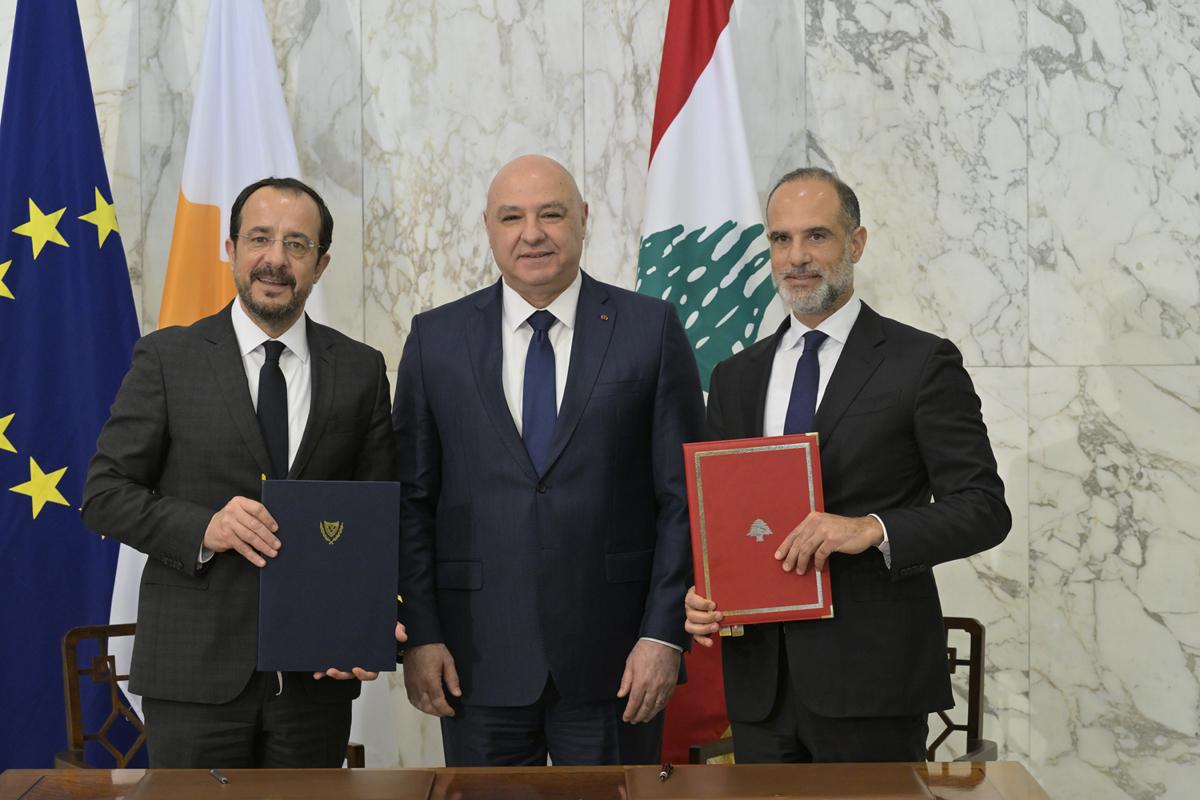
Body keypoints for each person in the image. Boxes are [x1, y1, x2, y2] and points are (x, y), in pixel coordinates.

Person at [684, 167, 1010, 763]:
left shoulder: (921, 362)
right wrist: (703, 588)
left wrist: (871, 529)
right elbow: (720, 517)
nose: (797, 257)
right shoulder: (735, 377)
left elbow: (984, 508)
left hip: (873, 682)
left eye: (817, 235)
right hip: (760, 687)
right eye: (781, 239)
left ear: (855, 244)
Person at [82, 177, 404, 768]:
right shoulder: (167, 359)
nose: (275, 259)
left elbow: (379, 518)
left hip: (316, 678)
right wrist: (206, 528)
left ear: (321, 263)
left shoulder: (360, 370)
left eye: (297, 244)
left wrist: (369, 622)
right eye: (259, 238)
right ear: (231, 248)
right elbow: (104, 494)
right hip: (192, 674)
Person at [393, 154, 704, 766]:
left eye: (551, 214)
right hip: (475, 661)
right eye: (512, 217)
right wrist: (421, 634)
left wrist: (663, 633)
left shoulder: (650, 328)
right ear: (488, 227)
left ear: (584, 219)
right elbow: (411, 502)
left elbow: (684, 498)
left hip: (619, 661)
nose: (531, 234)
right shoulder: (436, 339)